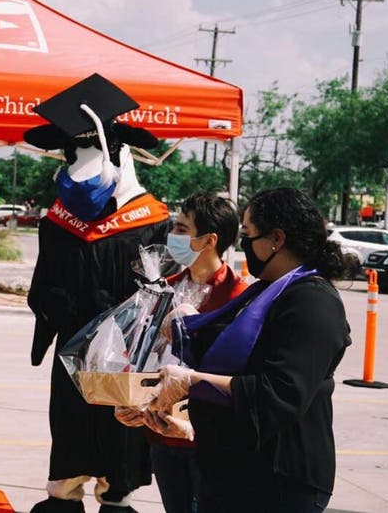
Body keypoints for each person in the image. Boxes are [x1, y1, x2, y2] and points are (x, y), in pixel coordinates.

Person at [149, 187, 351, 513]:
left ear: (276, 239)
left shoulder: (313, 302)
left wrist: (192, 381)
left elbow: (280, 393)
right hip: (233, 471)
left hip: (279, 479)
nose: (243, 244)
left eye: (248, 234)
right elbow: (223, 351)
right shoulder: (264, 292)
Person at [24, 75, 171, 513]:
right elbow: (41, 285)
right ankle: (65, 497)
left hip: (126, 359)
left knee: (119, 440)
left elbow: (159, 293)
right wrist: (56, 306)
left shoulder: (151, 221)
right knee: (70, 435)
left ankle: (116, 497)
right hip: (73, 357)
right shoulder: (56, 222)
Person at [114, 192, 247, 513]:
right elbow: (139, 356)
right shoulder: (163, 291)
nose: (172, 235)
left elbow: (239, 375)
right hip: (162, 434)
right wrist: (127, 401)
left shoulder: (240, 297)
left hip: (210, 439)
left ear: (208, 240)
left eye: (181, 228)